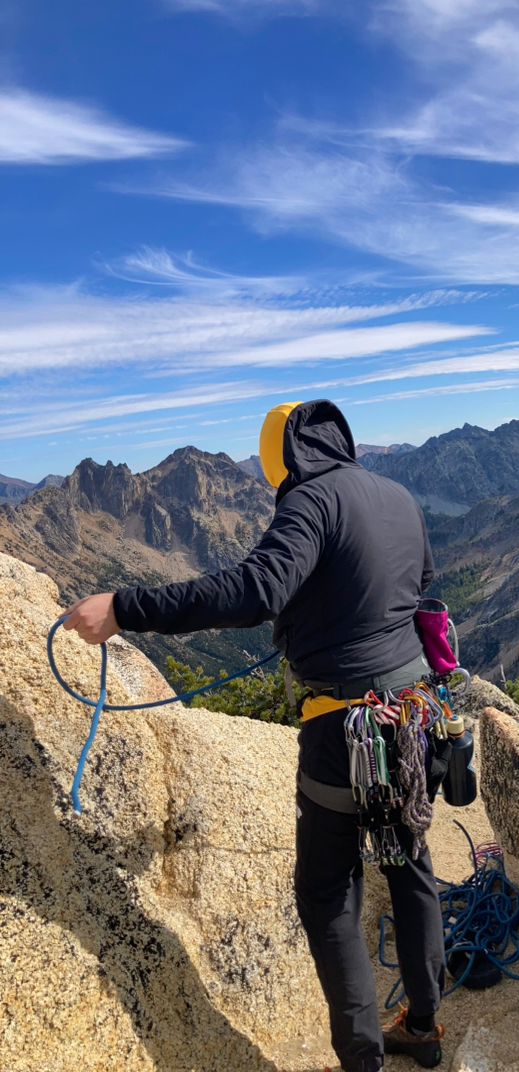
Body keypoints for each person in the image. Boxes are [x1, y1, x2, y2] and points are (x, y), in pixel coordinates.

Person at [62, 400, 448, 1072]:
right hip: (412, 714)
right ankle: (423, 1024)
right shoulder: (397, 496)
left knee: (328, 893)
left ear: (285, 460)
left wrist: (125, 607)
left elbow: (255, 592)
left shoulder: (309, 500)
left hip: (345, 727)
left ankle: (363, 1063)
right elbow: (420, 593)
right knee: (408, 861)